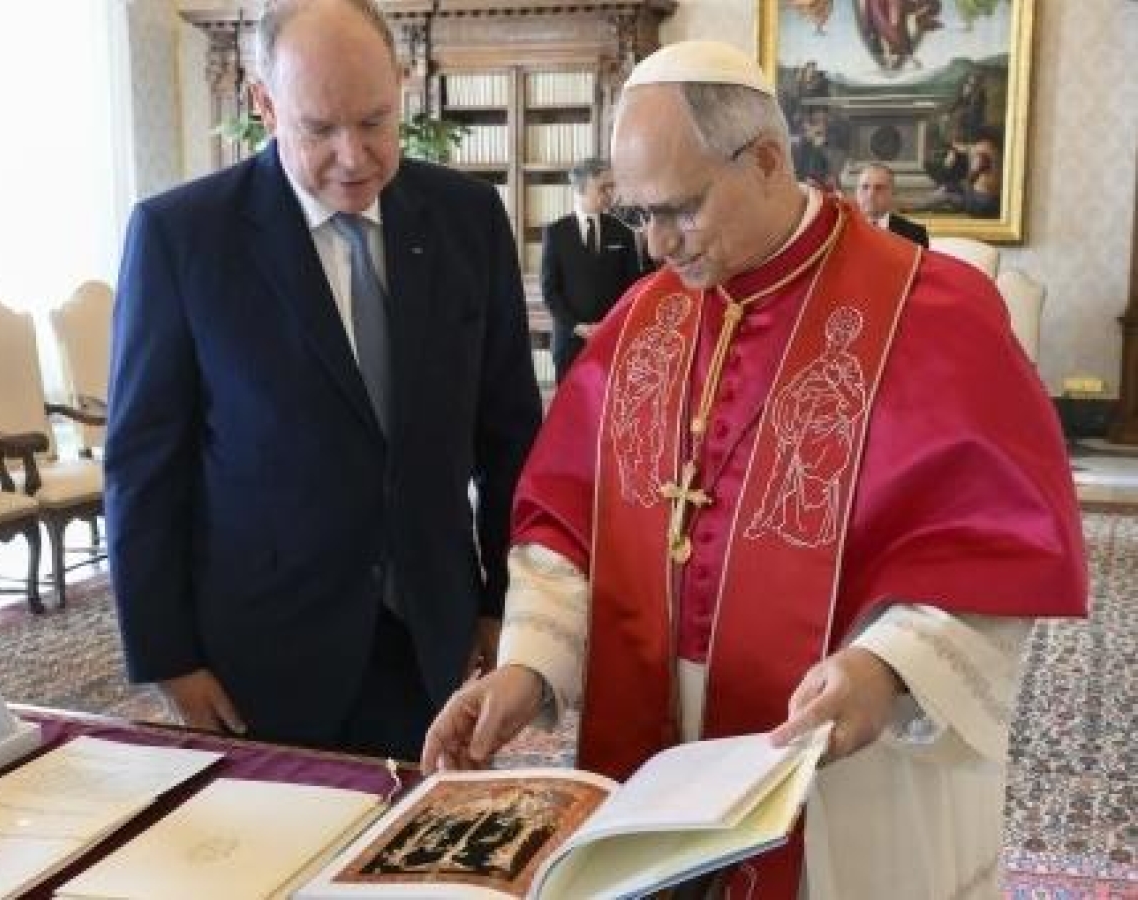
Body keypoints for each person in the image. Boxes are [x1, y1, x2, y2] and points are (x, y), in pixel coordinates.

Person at [422, 40, 1087, 899]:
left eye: (680, 209)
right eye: (638, 216)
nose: (658, 246)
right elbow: (565, 523)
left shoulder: (930, 313)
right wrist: (528, 667)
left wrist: (886, 668)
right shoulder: (643, 321)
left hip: (843, 755)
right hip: (662, 740)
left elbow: (994, 547)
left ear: (767, 159)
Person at [105, 0, 542, 762]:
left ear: (401, 87)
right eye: (319, 129)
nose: (354, 156)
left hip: (433, 634)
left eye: (375, 122)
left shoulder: (468, 219)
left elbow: (510, 438)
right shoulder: (183, 239)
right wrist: (167, 656)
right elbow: (145, 465)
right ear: (264, 105)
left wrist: (507, 605)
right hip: (260, 650)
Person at [539, 158, 647, 382]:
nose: (610, 193)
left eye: (611, 186)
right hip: (569, 342)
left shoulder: (623, 232)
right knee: (571, 412)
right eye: (602, 187)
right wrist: (578, 327)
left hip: (613, 338)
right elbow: (550, 292)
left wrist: (646, 243)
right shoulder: (555, 233)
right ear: (580, 189)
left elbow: (634, 285)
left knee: (607, 410)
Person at [854, 162, 929, 246]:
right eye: (865, 187)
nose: (871, 194)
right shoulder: (841, 229)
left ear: (893, 193)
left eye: (879, 188)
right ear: (856, 192)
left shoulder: (915, 234)